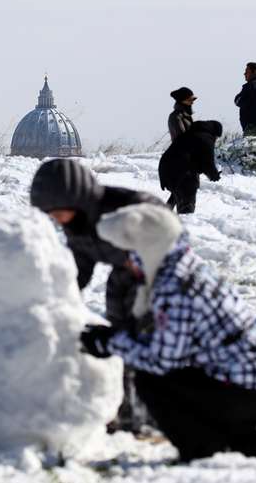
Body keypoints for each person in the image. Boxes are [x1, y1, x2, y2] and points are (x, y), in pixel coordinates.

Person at [80, 203, 256, 464]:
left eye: (130, 254)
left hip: (242, 392)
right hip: (251, 384)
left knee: (149, 380)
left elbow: (161, 360)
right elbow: (171, 344)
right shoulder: (186, 265)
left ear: (148, 249)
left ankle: (201, 451)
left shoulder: (172, 286)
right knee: (171, 382)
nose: (126, 264)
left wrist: (109, 342)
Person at [29, 158, 163, 434]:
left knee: (144, 341)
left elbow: (168, 237)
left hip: (155, 278)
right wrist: (61, 297)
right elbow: (80, 266)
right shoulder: (75, 224)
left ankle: (153, 412)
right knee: (120, 337)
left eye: (57, 212)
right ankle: (126, 410)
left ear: (76, 201)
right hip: (122, 278)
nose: (55, 219)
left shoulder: (129, 207)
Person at [158, 120, 222, 214]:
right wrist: (214, 175)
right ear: (214, 133)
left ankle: (162, 218)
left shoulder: (190, 134)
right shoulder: (206, 139)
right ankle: (186, 222)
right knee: (187, 201)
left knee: (178, 193)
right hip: (180, 172)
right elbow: (208, 162)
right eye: (217, 137)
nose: (216, 139)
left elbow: (198, 161)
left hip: (166, 169)